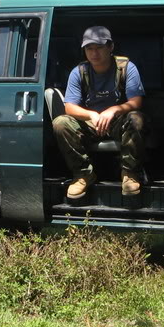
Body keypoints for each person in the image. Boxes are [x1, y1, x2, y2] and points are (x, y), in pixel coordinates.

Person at [52, 25, 147, 199]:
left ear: (110, 47)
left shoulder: (126, 67)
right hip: (92, 123)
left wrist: (114, 109)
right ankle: (83, 174)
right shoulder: (79, 72)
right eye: (89, 48)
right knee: (61, 123)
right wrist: (92, 115)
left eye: (99, 48)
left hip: (118, 121)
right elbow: (70, 107)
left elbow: (136, 101)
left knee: (136, 119)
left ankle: (129, 173)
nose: (94, 53)